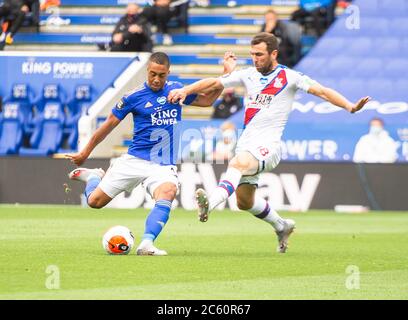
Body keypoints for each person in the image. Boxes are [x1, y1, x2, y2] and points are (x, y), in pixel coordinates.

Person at [168, 32, 370, 253]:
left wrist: (350, 106)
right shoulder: (248, 75)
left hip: (269, 147)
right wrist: (185, 89)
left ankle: (211, 204)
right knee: (244, 202)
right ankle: (282, 225)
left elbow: (322, 91)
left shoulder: (290, 77)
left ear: (273, 53)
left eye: (260, 54)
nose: (255, 59)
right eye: (253, 54)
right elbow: (214, 82)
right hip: (246, 145)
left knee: (236, 164)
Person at [66, 52, 232, 256]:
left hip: (162, 165)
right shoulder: (133, 97)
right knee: (94, 202)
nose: (156, 79)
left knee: (168, 191)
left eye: (161, 75)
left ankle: (146, 243)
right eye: (152, 74)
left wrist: (225, 76)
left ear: (168, 73)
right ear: (147, 70)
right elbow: (108, 125)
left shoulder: (175, 90)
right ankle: (94, 177)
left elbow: (207, 101)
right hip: (134, 159)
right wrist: (85, 152)